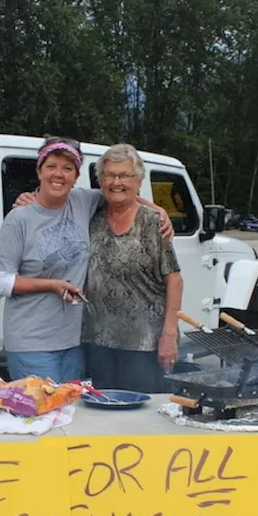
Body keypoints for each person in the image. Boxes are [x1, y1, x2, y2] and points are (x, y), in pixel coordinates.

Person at [0, 137, 173, 383]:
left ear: (76, 176)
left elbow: (121, 193)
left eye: (68, 168)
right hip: (31, 342)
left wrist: (159, 211)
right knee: (44, 415)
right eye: (51, 166)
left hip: (74, 342)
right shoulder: (19, 218)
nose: (59, 174)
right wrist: (51, 285)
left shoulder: (83, 201)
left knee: (72, 415)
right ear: (39, 171)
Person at [81, 144, 183, 393]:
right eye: (109, 175)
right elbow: (54, 200)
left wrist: (169, 335)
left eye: (125, 175)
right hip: (97, 341)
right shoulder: (91, 215)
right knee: (101, 415)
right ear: (101, 180)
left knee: (140, 420)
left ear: (139, 180)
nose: (116, 182)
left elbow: (175, 280)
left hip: (145, 344)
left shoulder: (152, 222)